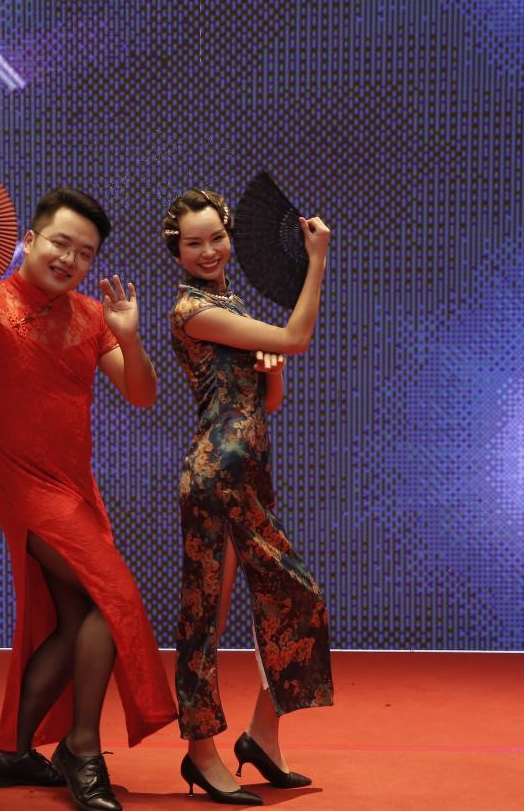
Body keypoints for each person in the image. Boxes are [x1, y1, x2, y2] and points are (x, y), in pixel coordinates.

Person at [0, 188, 177, 811]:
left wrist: (130, 338)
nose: (69, 259)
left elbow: (142, 394)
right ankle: (82, 747)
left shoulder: (92, 316)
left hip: (78, 493)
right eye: (60, 243)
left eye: (84, 253)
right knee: (113, 601)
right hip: (27, 492)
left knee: (79, 618)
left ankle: (10, 752)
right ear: (29, 240)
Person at [165, 190, 335, 805]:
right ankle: (201, 754)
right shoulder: (191, 309)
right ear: (177, 252)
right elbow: (297, 335)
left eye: (217, 237)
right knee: (204, 619)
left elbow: (268, 400)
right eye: (194, 243)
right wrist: (317, 260)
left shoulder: (229, 303)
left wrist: (274, 370)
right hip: (216, 478)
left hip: (247, 477)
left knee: (298, 599)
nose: (208, 250)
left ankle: (261, 738)